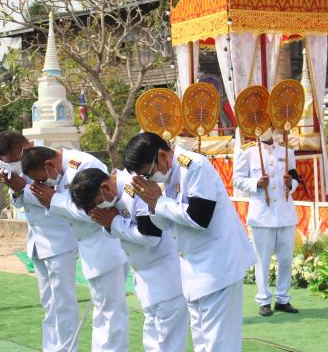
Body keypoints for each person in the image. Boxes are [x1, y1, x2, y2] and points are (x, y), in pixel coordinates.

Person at [122, 132, 255, 352]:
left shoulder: (194, 166)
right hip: (193, 271)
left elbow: (200, 217)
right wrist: (154, 204)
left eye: (149, 172)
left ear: (163, 155)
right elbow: (164, 225)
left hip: (218, 267)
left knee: (219, 344)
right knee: (202, 344)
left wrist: (160, 201)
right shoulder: (169, 176)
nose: (150, 179)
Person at [21, 147, 129, 352]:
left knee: (110, 313)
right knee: (103, 312)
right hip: (92, 249)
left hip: (105, 246)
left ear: (49, 165)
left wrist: (54, 200)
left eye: (42, 179)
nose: (43, 185)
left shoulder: (85, 165)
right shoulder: (63, 170)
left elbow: (95, 212)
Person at [70, 167, 189, 352]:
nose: (100, 207)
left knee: (168, 342)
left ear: (105, 188)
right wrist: (110, 225)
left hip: (166, 275)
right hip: (143, 278)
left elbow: (150, 236)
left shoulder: (135, 189)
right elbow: (116, 232)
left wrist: (115, 223)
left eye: (98, 202)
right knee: (151, 339)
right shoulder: (112, 199)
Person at [0, 132, 79, 352]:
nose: (14, 165)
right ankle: (51, 348)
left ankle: (67, 349)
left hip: (60, 241)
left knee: (64, 303)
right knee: (49, 304)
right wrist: (14, 188)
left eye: (14, 160)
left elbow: (55, 198)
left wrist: (22, 186)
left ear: (26, 147)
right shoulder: (17, 165)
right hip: (37, 241)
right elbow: (22, 204)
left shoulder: (48, 158)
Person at [233, 129, 300, 317]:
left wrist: (290, 184)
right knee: (262, 261)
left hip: (285, 214)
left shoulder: (287, 151)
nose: (264, 129)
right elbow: (237, 180)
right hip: (262, 215)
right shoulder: (247, 151)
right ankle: (263, 301)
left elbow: (295, 177)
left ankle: (283, 299)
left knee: (286, 259)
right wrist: (255, 183)